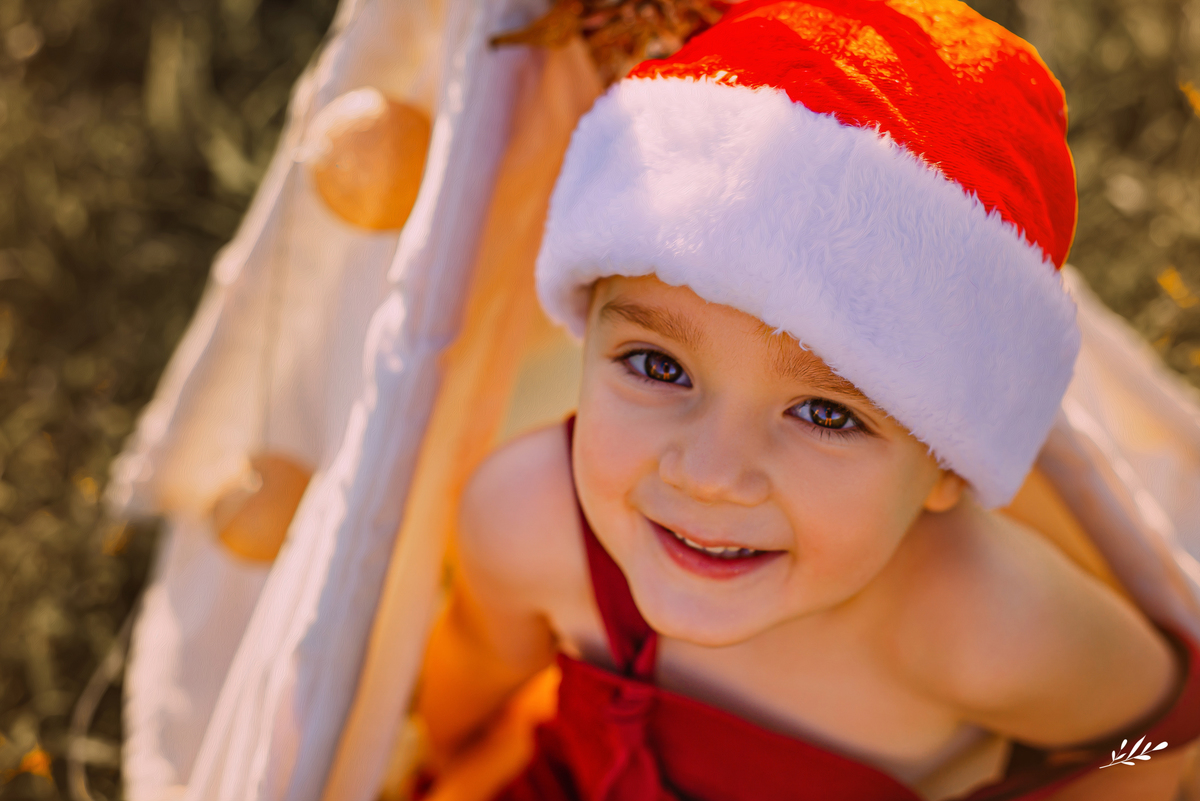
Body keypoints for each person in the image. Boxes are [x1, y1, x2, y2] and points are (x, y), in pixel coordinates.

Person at [415, 1, 1200, 799]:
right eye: (657, 364)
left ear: (946, 465)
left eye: (828, 413)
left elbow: (1151, 741)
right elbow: (472, 677)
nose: (711, 473)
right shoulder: (526, 518)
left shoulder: (980, 622)